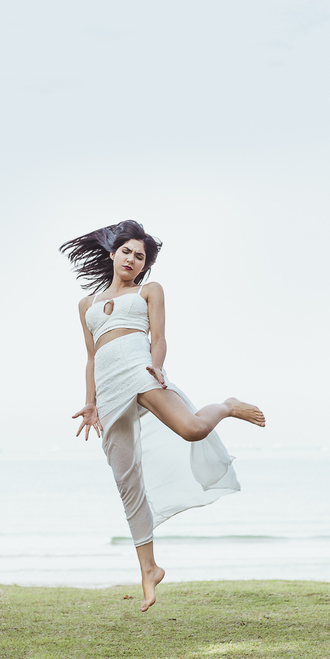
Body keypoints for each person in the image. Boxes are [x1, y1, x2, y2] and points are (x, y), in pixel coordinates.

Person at [64, 220, 264, 611]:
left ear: (143, 266)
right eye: (127, 252)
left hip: (140, 371)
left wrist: (156, 366)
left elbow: (159, 337)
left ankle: (225, 405)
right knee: (127, 479)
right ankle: (149, 569)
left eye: (140, 257)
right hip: (107, 390)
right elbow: (90, 357)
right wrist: (89, 402)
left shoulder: (149, 292)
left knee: (191, 430)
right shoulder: (85, 305)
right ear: (113, 253)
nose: (132, 259)